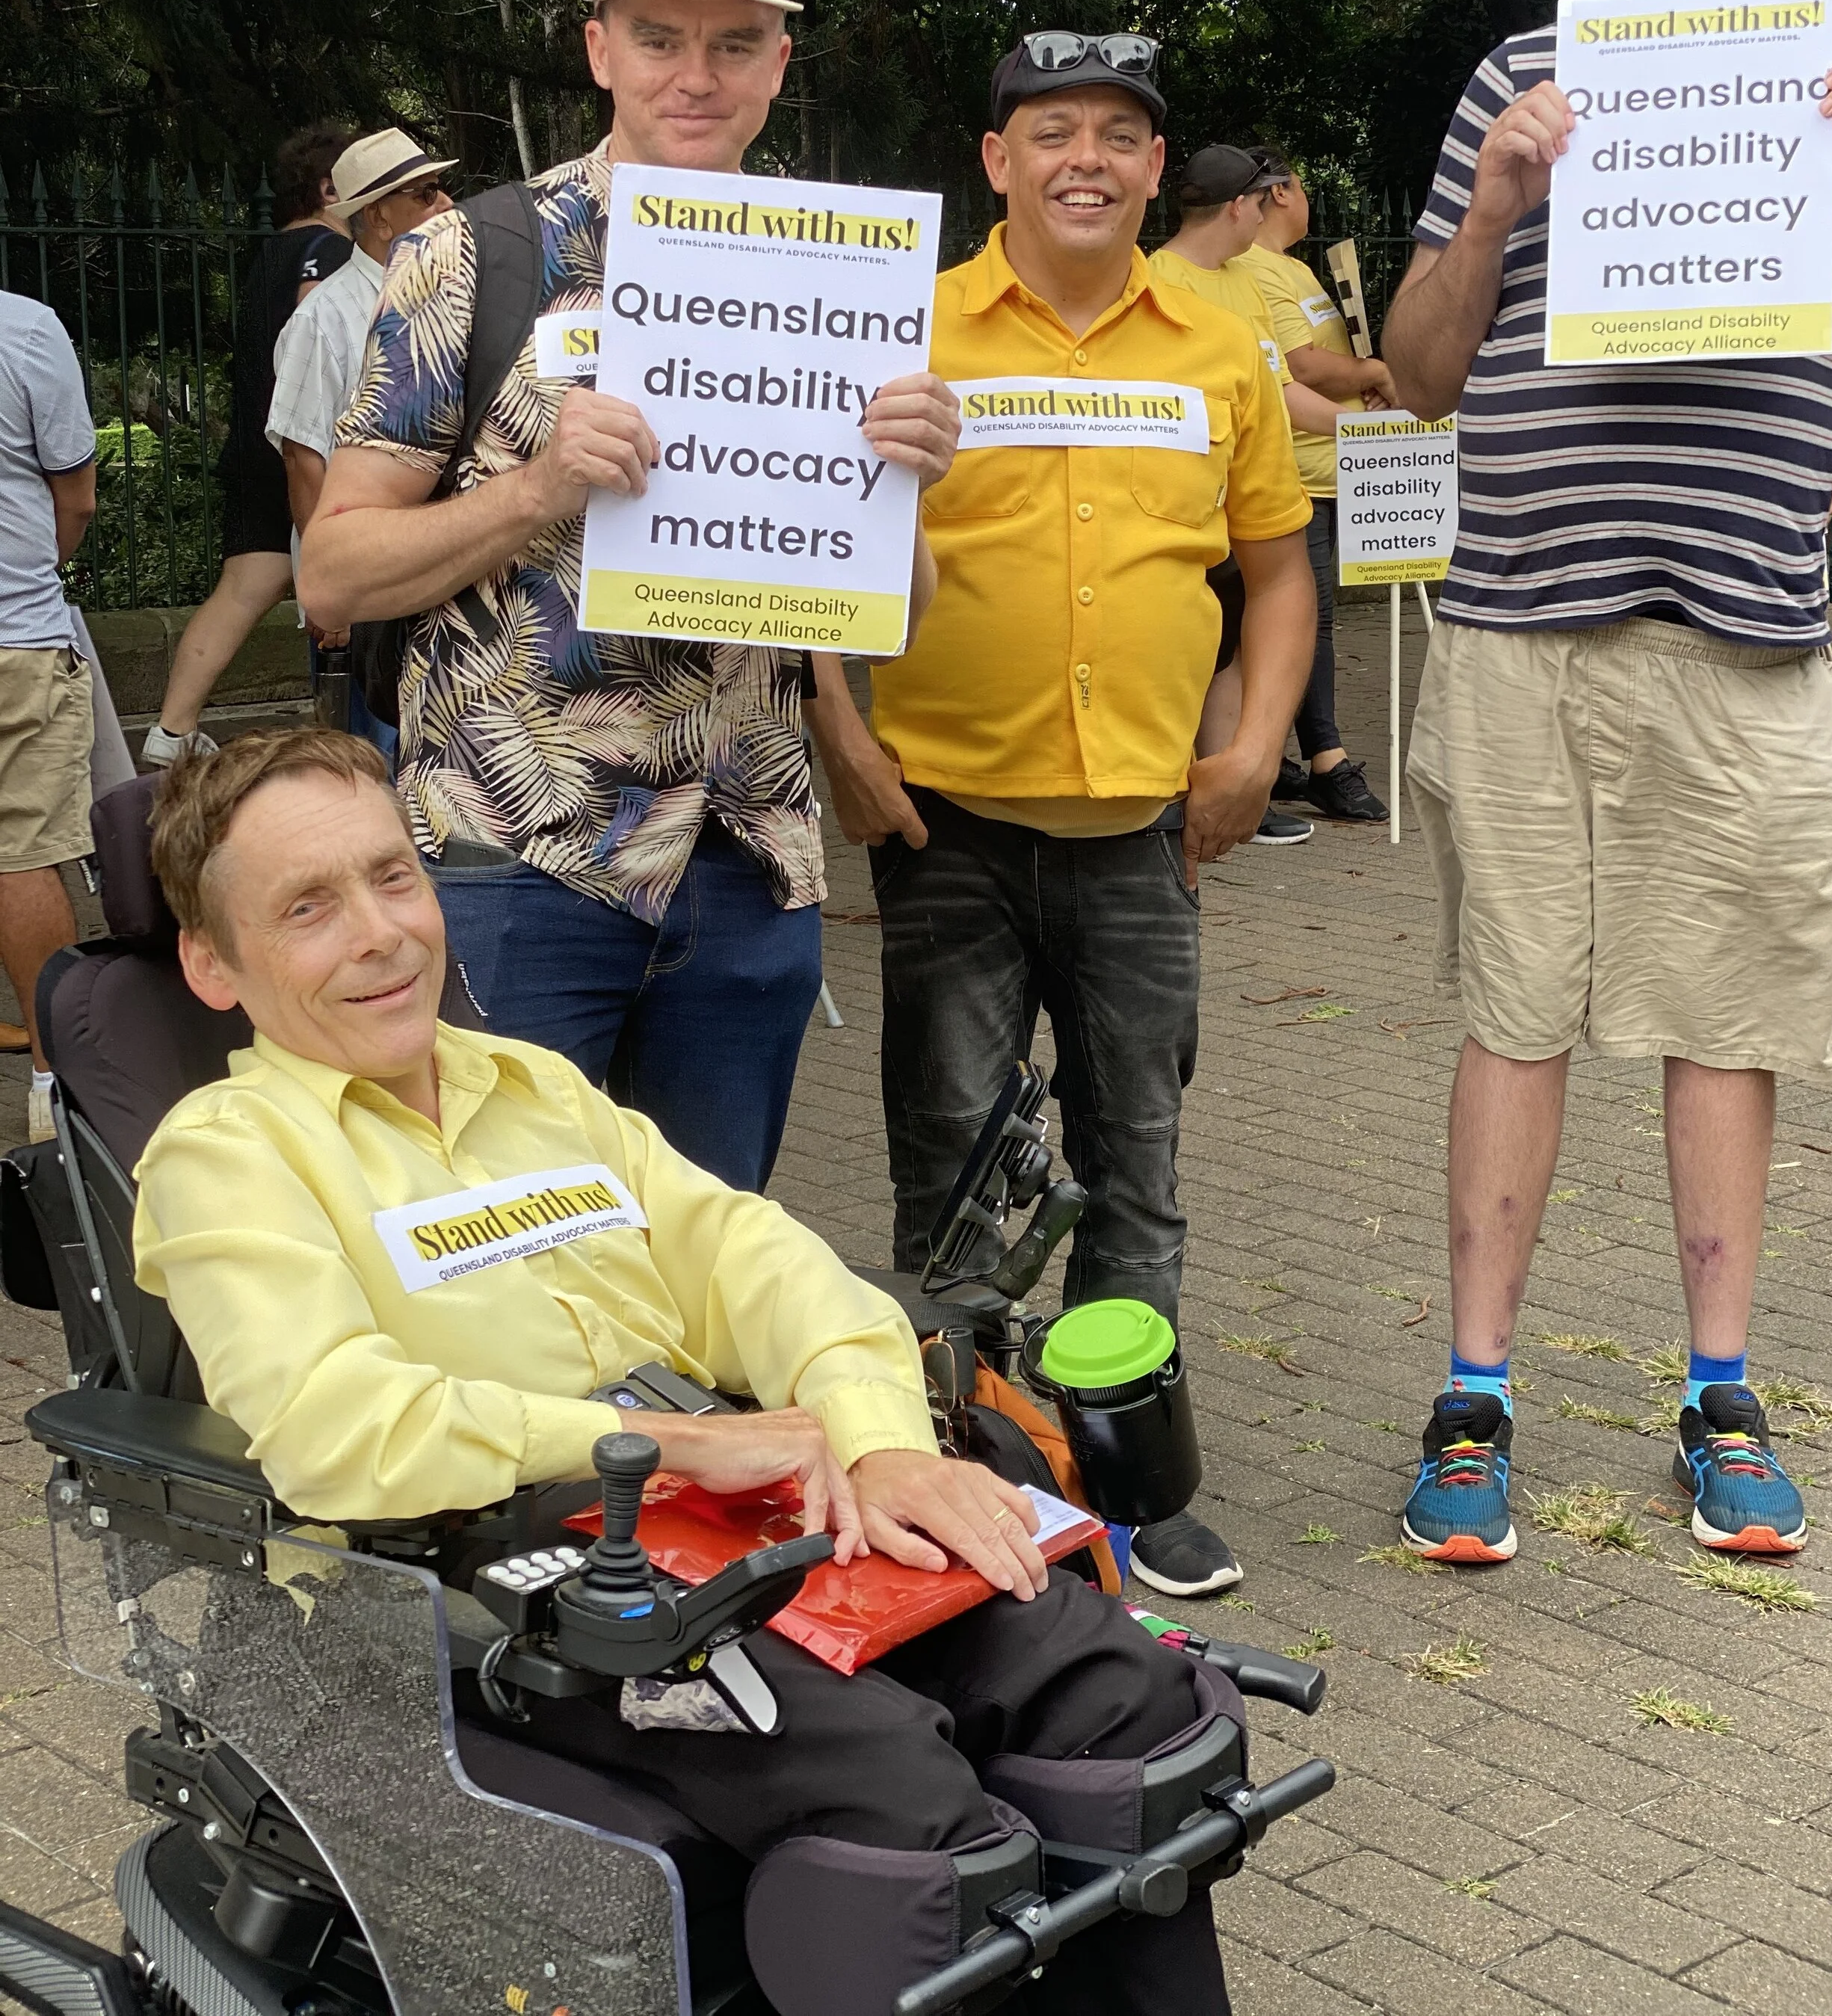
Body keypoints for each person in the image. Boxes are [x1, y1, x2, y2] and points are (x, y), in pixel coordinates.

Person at [132, 727, 1236, 2016]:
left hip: (737, 1520)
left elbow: (758, 1261)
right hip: (479, 1586)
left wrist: (879, 1437)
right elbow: (334, 1426)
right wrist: (670, 1443)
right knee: (900, 1802)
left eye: (393, 874)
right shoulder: (224, 1152)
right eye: (308, 907)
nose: (379, 932)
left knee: (1122, 1696)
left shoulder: (534, 1085)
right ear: (215, 964)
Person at [1384, 0, 1832, 1565]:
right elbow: (1422, 380)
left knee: (1725, 1017)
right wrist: (1500, 200)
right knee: (1516, 1009)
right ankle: (1473, 1394)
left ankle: (1721, 1391)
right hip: (1521, 620)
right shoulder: (1525, 75)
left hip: (1746, 624)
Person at [298, 0, 959, 1195]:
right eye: (659, 38)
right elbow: (332, 572)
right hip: (520, 862)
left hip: (747, 859)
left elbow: (893, 619)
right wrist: (534, 487)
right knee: (515, 1274)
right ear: (599, 48)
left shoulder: (840, 275)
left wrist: (906, 490)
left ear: (781, 61)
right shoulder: (471, 256)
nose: (694, 75)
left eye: (733, 44)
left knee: (708, 1276)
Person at [807, 34, 1316, 1597]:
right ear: (996, 158)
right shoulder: (908, 325)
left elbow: (1278, 568)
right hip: (942, 827)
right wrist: (840, 731)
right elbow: (806, 536)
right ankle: (972, 1468)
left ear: (1158, 167)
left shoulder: (1218, 345)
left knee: (1131, 1160)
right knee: (951, 1166)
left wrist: (1254, 745)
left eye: (1116, 133)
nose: (1083, 157)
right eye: (1051, 131)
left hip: (1143, 836)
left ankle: (1131, 1474)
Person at [1150, 142, 1347, 843]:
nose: (1267, 211)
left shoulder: (1241, 280)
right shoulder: (1159, 279)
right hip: (1185, 509)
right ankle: (1168, 794)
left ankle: (1228, 790)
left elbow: (1279, 392)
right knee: (1186, 648)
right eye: (1262, 200)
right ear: (1238, 205)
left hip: (1247, 507)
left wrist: (1365, 429)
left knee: (1231, 647)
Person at [143, 124, 355, 767]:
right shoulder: (327, 247)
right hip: (300, 447)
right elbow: (320, 328)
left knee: (243, 585)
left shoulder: (270, 251)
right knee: (343, 584)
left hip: (252, 440)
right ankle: (346, 736)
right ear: (328, 188)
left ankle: (172, 730)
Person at [268, 128, 456, 759]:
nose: (446, 204)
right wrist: (334, 591)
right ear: (377, 215)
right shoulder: (324, 318)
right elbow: (303, 456)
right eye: (425, 193)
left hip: (433, 566)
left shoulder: (441, 297)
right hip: (369, 585)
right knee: (371, 764)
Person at [1239, 147, 1392, 823]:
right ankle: (1323, 758)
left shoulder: (1296, 268)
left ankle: (1280, 760)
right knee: (1304, 619)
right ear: (1279, 192)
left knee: (1309, 619)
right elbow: (1302, 365)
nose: (1305, 199)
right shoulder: (1254, 268)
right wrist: (1372, 372)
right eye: (1300, 186)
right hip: (1297, 468)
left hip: (1332, 467)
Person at [0, 291, 96, 1132]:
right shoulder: (24, 327)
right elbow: (78, 496)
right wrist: (41, 570)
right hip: (17, 635)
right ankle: (48, 1085)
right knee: (23, 854)